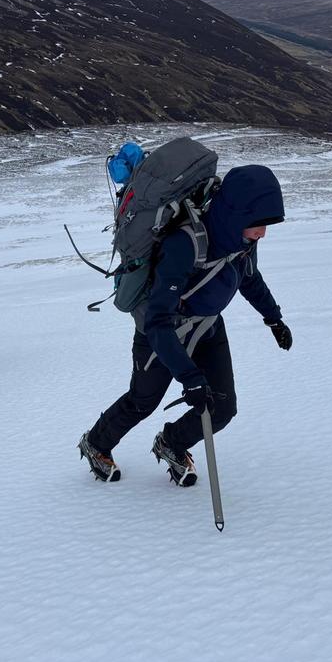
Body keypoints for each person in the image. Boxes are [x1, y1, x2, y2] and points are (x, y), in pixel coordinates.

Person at [78, 165, 293, 484]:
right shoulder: (185, 243)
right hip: (162, 332)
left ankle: (172, 443)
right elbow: (157, 320)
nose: (262, 232)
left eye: (267, 224)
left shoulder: (242, 240)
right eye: (258, 223)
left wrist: (273, 318)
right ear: (237, 213)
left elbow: (249, 278)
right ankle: (96, 443)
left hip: (208, 328)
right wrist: (190, 378)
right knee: (143, 401)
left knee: (222, 407)